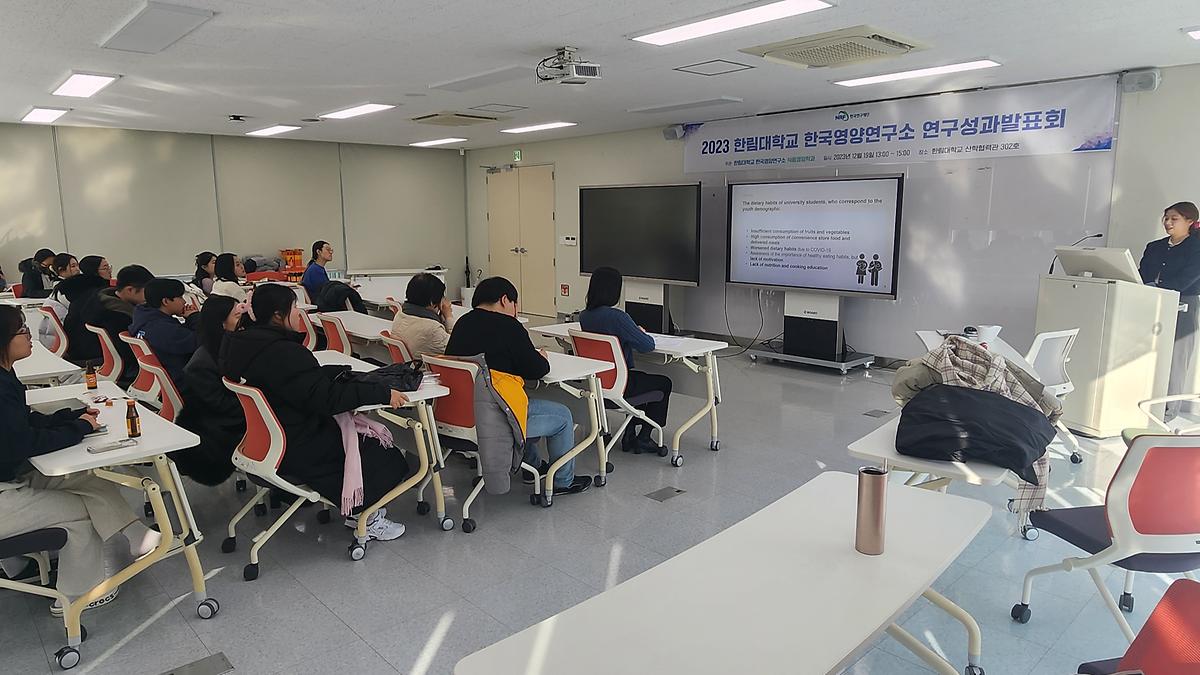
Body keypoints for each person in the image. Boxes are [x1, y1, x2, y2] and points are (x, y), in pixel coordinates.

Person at [0, 305, 163, 615]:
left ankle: (136, 536)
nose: (31, 336)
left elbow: (22, 424)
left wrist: (74, 418)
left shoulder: (6, 375)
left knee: (87, 478)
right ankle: (78, 595)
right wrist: (79, 429)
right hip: (4, 489)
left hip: (9, 473)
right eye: (23, 331)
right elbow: (23, 443)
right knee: (78, 512)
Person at [220, 284, 411, 540]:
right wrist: (381, 393)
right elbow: (327, 400)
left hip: (266, 440)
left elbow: (292, 382)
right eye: (294, 307)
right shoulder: (284, 352)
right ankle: (365, 517)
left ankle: (357, 510)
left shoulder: (241, 345)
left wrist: (335, 373)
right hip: (298, 444)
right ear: (277, 315)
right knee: (381, 452)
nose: (299, 313)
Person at [446, 277, 591, 495]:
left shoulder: (462, 324)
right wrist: (540, 357)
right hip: (497, 418)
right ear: (505, 300)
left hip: (464, 414)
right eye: (515, 304)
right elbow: (538, 369)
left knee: (520, 401)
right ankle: (563, 481)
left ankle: (532, 467)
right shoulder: (509, 327)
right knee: (562, 416)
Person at [579, 267, 673, 454]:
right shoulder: (618, 317)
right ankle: (644, 436)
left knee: (641, 378)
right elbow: (647, 345)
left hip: (597, 385)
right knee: (664, 383)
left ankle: (630, 432)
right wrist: (637, 332)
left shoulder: (584, 316)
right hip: (620, 386)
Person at [1139, 201, 1200, 416]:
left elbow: (1188, 278)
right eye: (1166, 218)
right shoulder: (1154, 247)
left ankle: (1168, 410)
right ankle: (1141, 402)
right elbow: (1141, 274)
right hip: (1150, 301)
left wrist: (1158, 286)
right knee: (1144, 353)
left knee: (1176, 357)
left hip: (1183, 304)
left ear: (1189, 221)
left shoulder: (1196, 247)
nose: (1168, 223)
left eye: (1174, 219)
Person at [175, 296, 243, 486]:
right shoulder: (204, 362)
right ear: (222, 324)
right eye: (238, 316)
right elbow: (220, 404)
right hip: (228, 422)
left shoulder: (227, 349)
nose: (244, 322)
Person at [63, 265, 154, 383]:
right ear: (130, 290)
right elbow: (133, 352)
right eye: (147, 292)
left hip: (84, 351)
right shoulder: (117, 316)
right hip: (123, 366)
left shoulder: (101, 300)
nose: (151, 296)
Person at [129, 279, 200, 386]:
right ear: (166, 301)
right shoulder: (162, 328)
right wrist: (194, 317)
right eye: (180, 297)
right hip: (180, 379)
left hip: (161, 376)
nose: (184, 302)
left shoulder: (143, 318)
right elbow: (198, 342)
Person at [390, 273, 457, 359]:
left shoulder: (400, 315)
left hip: (409, 364)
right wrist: (448, 316)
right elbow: (457, 349)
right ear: (432, 302)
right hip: (426, 366)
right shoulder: (432, 329)